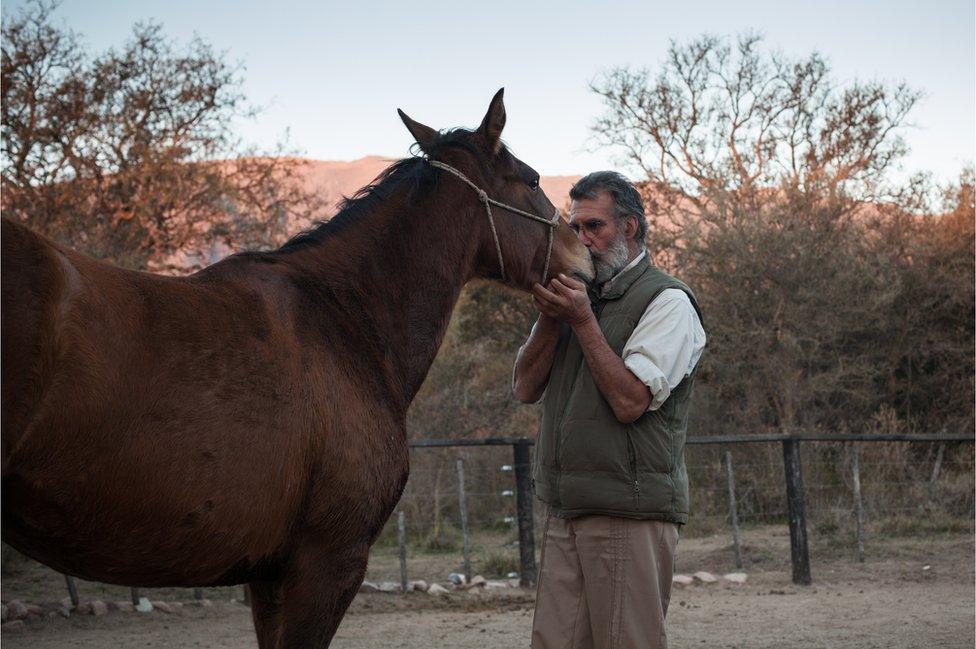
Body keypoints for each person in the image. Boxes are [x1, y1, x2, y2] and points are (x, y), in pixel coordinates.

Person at [512, 171, 706, 649]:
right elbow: (524, 387)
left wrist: (581, 321)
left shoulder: (668, 301)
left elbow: (630, 401)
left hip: (629, 512)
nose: (582, 241)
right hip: (567, 509)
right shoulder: (582, 298)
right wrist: (550, 318)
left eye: (594, 226)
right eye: (574, 229)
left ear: (630, 227)